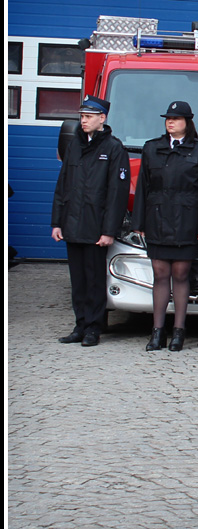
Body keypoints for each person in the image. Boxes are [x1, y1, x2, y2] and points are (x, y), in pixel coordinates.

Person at [130, 101, 198, 352]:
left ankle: (178, 331)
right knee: (160, 274)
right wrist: (138, 223)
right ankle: (157, 332)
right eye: (168, 118)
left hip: (186, 222)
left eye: (176, 119)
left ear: (187, 123)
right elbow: (143, 188)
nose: (170, 122)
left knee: (180, 274)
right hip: (157, 220)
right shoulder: (152, 148)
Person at [51, 95, 130, 347]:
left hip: (96, 228)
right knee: (78, 281)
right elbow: (62, 186)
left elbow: (117, 194)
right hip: (73, 224)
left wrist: (109, 230)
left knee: (95, 280)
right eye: (82, 116)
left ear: (102, 119)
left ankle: (94, 328)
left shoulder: (114, 148)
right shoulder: (74, 145)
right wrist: (57, 222)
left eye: (88, 117)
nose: (82, 121)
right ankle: (80, 325)